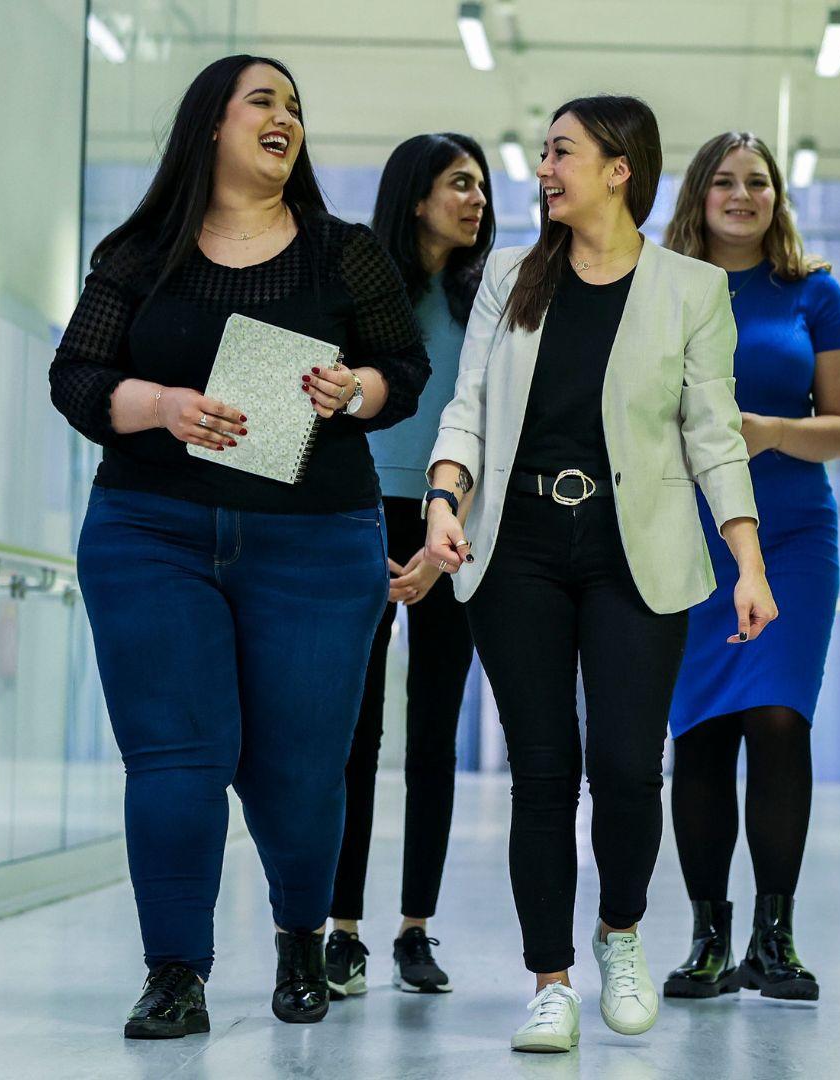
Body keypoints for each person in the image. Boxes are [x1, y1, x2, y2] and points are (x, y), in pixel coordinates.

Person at [48, 54, 429, 1035]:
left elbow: (404, 368)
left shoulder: (344, 254)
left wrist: (359, 391)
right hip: (152, 533)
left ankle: (302, 939)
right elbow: (79, 376)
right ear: (210, 125)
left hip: (315, 543)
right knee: (177, 759)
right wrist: (161, 405)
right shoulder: (139, 256)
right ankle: (175, 973)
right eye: (264, 100)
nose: (285, 117)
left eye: (295, 106)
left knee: (298, 771)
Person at [422, 95, 777, 1054]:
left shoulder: (691, 291)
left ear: (619, 168)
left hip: (637, 548)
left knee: (627, 766)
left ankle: (620, 931)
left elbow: (714, 438)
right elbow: (468, 407)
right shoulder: (508, 277)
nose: (543, 169)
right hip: (520, 548)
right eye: (543, 153)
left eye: (562, 153)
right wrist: (445, 497)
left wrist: (747, 560)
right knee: (543, 772)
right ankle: (551, 982)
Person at [658, 132, 840, 1002]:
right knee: (698, 731)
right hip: (684, 534)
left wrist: (771, 431)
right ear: (698, 195)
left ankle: (774, 940)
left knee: (779, 721)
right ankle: (709, 938)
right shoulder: (658, 291)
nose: (743, 195)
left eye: (759, 182)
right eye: (725, 182)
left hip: (792, 538)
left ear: (778, 196)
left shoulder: (815, 293)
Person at [323, 132, 494, 1000]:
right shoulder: (361, 286)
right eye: (458, 184)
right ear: (415, 196)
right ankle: (342, 928)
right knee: (354, 734)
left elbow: (489, 423)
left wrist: (445, 532)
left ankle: (414, 930)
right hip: (359, 510)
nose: (476, 199)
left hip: (452, 522)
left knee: (435, 731)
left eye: (480, 186)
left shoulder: (493, 297)